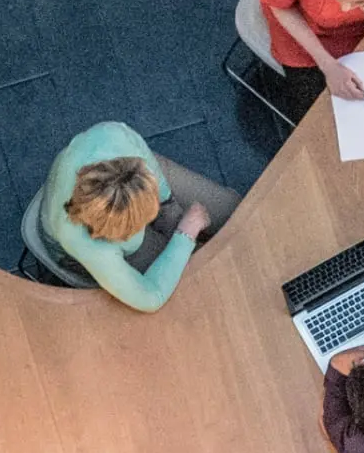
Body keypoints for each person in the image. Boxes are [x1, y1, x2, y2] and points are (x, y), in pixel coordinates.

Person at [40, 121, 241, 313]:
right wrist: (185, 236)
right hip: (77, 251)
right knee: (196, 277)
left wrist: (167, 204)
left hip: (129, 189)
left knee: (232, 208)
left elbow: (151, 168)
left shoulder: (113, 136)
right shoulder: (81, 241)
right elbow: (150, 297)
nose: (146, 223)